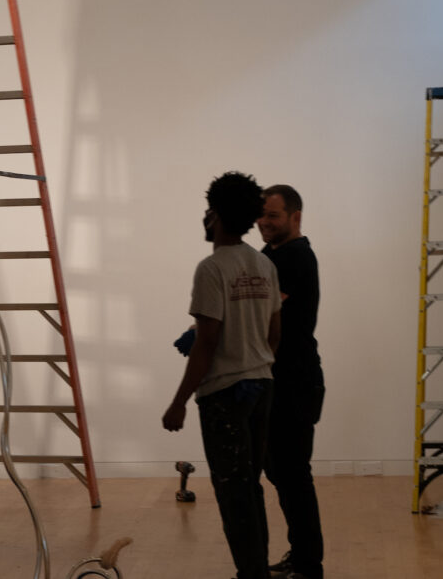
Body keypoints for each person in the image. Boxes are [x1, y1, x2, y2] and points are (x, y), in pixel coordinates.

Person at [163, 171, 282, 579]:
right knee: (249, 484)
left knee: (233, 491)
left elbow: (208, 342)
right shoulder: (263, 264)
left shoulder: (211, 268)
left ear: (214, 214)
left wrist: (178, 401)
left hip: (225, 396)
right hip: (262, 386)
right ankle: (257, 571)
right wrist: (256, 360)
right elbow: (274, 333)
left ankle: (251, 574)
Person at [257, 185, 324, 579]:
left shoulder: (297, 257)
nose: (264, 222)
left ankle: (308, 566)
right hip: (278, 383)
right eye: (261, 215)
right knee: (282, 474)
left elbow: (259, 314)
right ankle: (301, 558)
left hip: (296, 384)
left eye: (274, 216)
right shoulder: (271, 255)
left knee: (293, 476)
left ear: (296, 216)